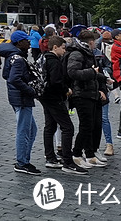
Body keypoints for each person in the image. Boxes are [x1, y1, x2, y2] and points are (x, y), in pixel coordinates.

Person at [38, 35, 86, 174]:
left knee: (50, 126)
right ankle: (68, 161)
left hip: (45, 96)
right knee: (67, 127)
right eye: (63, 48)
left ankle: (50, 157)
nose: (64, 51)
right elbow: (56, 81)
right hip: (54, 97)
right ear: (55, 47)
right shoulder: (54, 61)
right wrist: (66, 90)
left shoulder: (43, 57)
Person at [65, 30, 107, 169]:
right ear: (90, 42)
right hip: (81, 94)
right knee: (86, 126)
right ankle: (76, 154)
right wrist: (92, 73)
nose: (95, 43)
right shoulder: (77, 53)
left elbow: (93, 72)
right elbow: (72, 73)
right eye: (94, 41)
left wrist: (104, 79)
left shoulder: (88, 53)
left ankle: (90, 155)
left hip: (90, 93)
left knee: (91, 125)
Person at [0, 30, 39, 174]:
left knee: (31, 129)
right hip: (22, 98)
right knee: (25, 130)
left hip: (18, 97)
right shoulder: (18, 59)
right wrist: (30, 89)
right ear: (19, 43)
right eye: (26, 41)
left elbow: (6, 75)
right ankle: (22, 162)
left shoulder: (11, 57)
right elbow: (13, 78)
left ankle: (24, 160)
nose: (29, 43)